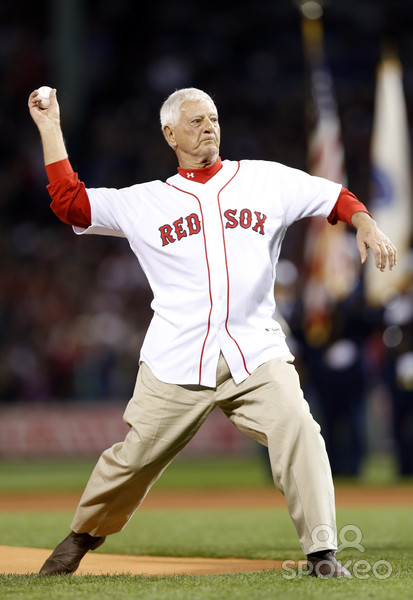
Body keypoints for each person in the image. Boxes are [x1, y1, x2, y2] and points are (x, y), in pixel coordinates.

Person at [28, 86, 397, 578]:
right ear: (169, 133)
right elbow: (70, 203)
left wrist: (365, 223)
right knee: (133, 460)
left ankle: (322, 555)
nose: (209, 127)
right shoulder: (146, 201)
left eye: (214, 118)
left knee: (300, 429)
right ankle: (79, 539)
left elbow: (333, 195)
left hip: (256, 351)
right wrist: (50, 126)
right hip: (176, 359)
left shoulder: (264, 180)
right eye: (197, 120)